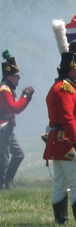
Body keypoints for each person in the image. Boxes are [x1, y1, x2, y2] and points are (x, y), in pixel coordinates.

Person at [43, 38, 76, 227]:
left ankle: (61, 222)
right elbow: (67, 118)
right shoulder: (65, 89)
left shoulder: (60, 87)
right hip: (69, 140)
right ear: (71, 68)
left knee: (61, 182)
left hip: (60, 140)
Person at [0, 50, 33, 190]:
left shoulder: (8, 89)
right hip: (3, 128)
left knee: (19, 154)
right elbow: (15, 108)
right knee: (4, 159)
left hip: (8, 128)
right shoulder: (5, 90)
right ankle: (2, 187)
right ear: (9, 76)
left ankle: (6, 182)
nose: (18, 79)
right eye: (16, 76)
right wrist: (25, 96)